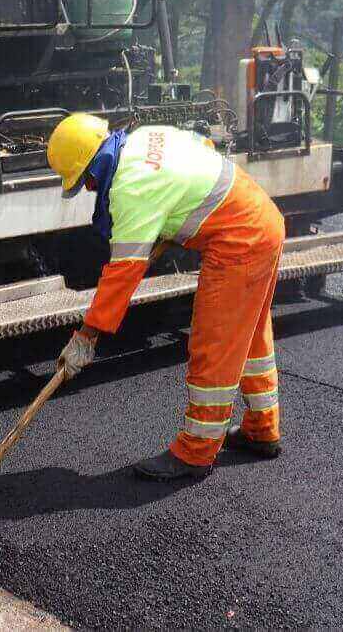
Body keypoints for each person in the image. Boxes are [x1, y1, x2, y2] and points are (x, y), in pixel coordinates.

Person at [48, 114, 286, 481]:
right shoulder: (148, 137)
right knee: (250, 336)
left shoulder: (131, 189)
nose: (92, 189)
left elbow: (122, 273)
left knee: (214, 343)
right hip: (262, 220)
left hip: (240, 241)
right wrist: (174, 213)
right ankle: (262, 428)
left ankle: (196, 451)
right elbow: (203, 150)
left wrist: (87, 336)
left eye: (87, 181)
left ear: (95, 166)